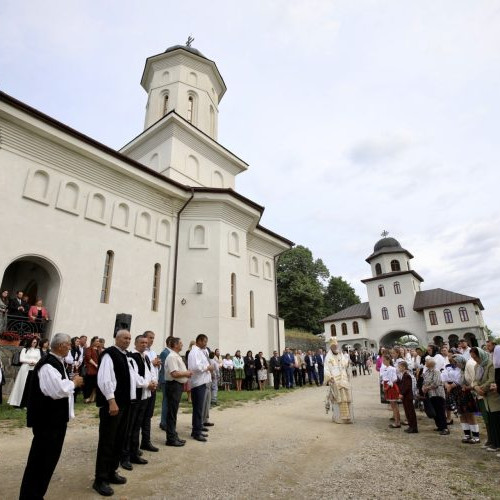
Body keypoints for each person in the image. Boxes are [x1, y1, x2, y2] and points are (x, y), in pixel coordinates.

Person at [19, 333, 83, 500]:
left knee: (48, 462)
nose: (70, 347)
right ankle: (30, 496)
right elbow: (57, 391)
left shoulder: (57, 362)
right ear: (61, 346)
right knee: (40, 462)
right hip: (48, 422)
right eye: (68, 344)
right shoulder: (48, 364)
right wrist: (73, 383)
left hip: (55, 421)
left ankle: (37, 494)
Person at [93, 330, 134, 497]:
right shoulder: (110, 354)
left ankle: (111, 471)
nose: (127, 341)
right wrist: (111, 400)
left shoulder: (124, 355)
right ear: (117, 339)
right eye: (125, 338)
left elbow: (131, 377)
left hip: (124, 404)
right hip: (113, 405)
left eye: (129, 338)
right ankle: (100, 479)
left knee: (119, 439)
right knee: (107, 441)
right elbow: (104, 379)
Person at [121, 335, 157, 470]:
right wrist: (147, 384)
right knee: (130, 427)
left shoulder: (146, 357)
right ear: (136, 344)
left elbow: (151, 372)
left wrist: (154, 382)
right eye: (141, 342)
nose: (144, 344)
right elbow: (134, 377)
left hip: (145, 396)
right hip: (136, 396)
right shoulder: (132, 357)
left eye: (146, 343)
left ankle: (134, 452)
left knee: (137, 426)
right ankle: (125, 456)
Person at [471, 347, 500, 453]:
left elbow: (492, 380)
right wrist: (476, 388)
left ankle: (497, 444)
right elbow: (474, 381)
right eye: (473, 357)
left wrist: (481, 388)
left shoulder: (490, 364)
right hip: (484, 396)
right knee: (491, 421)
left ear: (481, 355)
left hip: (493, 396)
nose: (475, 360)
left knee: (496, 421)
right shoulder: (476, 366)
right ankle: (494, 442)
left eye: (476, 357)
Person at [165, 337, 192, 446]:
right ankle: (171, 438)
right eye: (180, 343)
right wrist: (187, 373)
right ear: (175, 345)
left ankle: (174, 435)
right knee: (171, 412)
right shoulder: (172, 357)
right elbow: (174, 373)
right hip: (173, 385)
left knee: (174, 412)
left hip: (177, 385)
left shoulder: (175, 356)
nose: (182, 345)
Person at [187, 334, 213, 441]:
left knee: (200, 408)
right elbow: (195, 367)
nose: (206, 344)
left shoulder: (201, 351)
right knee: (197, 408)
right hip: (197, 383)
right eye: (204, 342)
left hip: (203, 382)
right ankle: (196, 432)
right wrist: (207, 367)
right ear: (199, 341)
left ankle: (199, 426)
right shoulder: (194, 352)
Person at [324, 338, 353, 423]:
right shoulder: (328, 357)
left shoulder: (341, 354)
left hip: (343, 378)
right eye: (333, 346)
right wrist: (329, 377)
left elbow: (344, 363)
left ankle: (347, 417)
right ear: (331, 347)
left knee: (346, 398)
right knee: (337, 399)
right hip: (335, 380)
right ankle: (338, 417)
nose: (335, 347)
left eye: (336, 346)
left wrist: (348, 362)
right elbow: (326, 369)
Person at [140, 330, 160, 453]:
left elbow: (154, 370)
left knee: (148, 415)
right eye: (149, 338)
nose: (151, 340)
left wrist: (157, 364)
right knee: (140, 415)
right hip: (144, 388)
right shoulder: (141, 353)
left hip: (153, 387)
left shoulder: (152, 352)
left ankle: (146, 441)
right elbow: (142, 368)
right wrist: (152, 363)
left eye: (153, 338)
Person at [8, 337, 41, 408]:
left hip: (33, 370)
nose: (34, 344)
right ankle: (17, 404)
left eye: (35, 342)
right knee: (21, 385)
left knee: (29, 387)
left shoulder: (37, 351)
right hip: (25, 369)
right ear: (30, 342)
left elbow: (39, 360)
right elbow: (21, 359)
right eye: (33, 342)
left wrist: (34, 363)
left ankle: (26, 404)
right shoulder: (25, 349)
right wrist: (30, 361)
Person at [422, 357, 449, 435]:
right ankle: (439, 426)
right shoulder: (427, 371)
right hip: (430, 394)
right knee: (435, 411)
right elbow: (425, 381)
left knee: (440, 411)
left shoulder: (436, 371)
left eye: (426, 362)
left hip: (438, 394)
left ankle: (445, 428)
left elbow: (436, 383)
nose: (425, 363)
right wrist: (423, 387)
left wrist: (427, 388)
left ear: (430, 364)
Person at [398, 361, 418, 433]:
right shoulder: (404, 374)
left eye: (400, 367)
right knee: (407, 412)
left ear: (404, 367)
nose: (399, 368)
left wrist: (402, 394)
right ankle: (411, 426)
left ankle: (413, 427)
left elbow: (407, 386)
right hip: (406, 396)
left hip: (408, 396)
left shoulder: (407, 375)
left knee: (410, 412)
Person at [382, 354, 401, 428]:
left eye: (384, 360)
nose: (383, 362)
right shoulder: (386, 368)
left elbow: (394, 379)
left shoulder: (392, 368)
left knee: (394, 406)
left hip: (391, 388)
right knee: (393, 406)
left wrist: (387, 387)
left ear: (388, 360)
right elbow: (384, 379)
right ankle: (397, 421)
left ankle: (397, 422)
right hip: (387, 386)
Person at [158, 336, 171, 431]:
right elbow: (164, 368)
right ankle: (163, 422)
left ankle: (167, 421)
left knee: (169, 401)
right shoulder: (164, 353)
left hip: (169, 380)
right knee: (166, 401)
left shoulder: (170, 352)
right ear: (169, 343)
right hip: (165, 380)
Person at [83, 336, 101, 403]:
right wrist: (95, 365)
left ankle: (92, 398)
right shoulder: (89, 349)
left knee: (94, 385)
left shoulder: (99, 350)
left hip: (97, 370)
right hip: (91, 369)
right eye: (97, 341)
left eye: (98, 341)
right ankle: (86, 398)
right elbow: (88, 357)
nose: (98, 342)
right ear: (93, 342)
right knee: (88, 384)